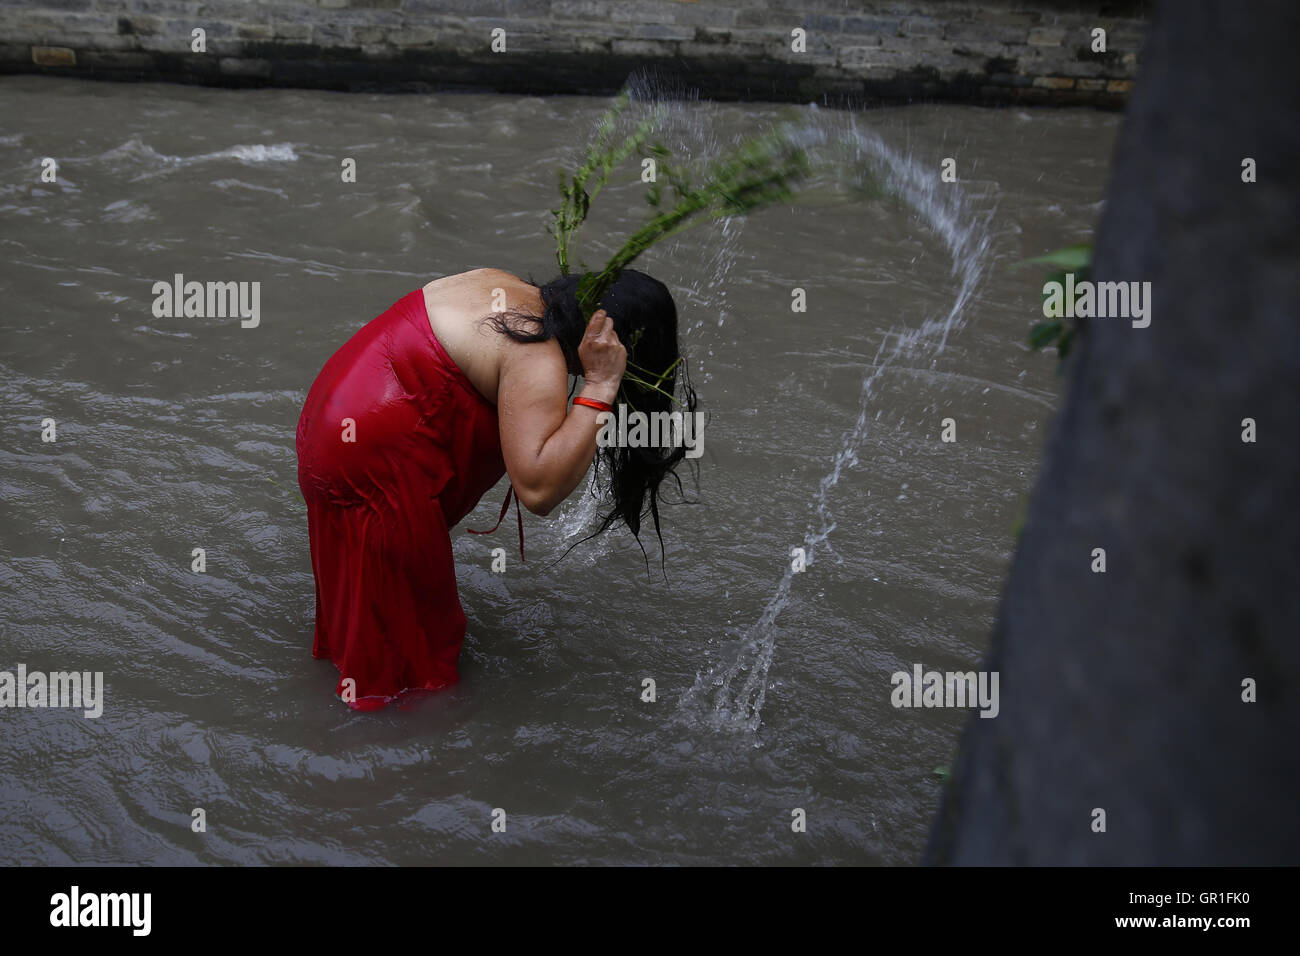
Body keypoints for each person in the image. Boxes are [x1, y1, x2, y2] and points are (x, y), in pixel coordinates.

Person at [295, 267, 697, 709]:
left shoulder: (500, 286)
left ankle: (333, 704)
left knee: (370, 610)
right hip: (371, 464)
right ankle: (394, 753)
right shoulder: (535, 354)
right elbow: (538, 489)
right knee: (416, 660)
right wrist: (601, 385)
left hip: (331, 421)